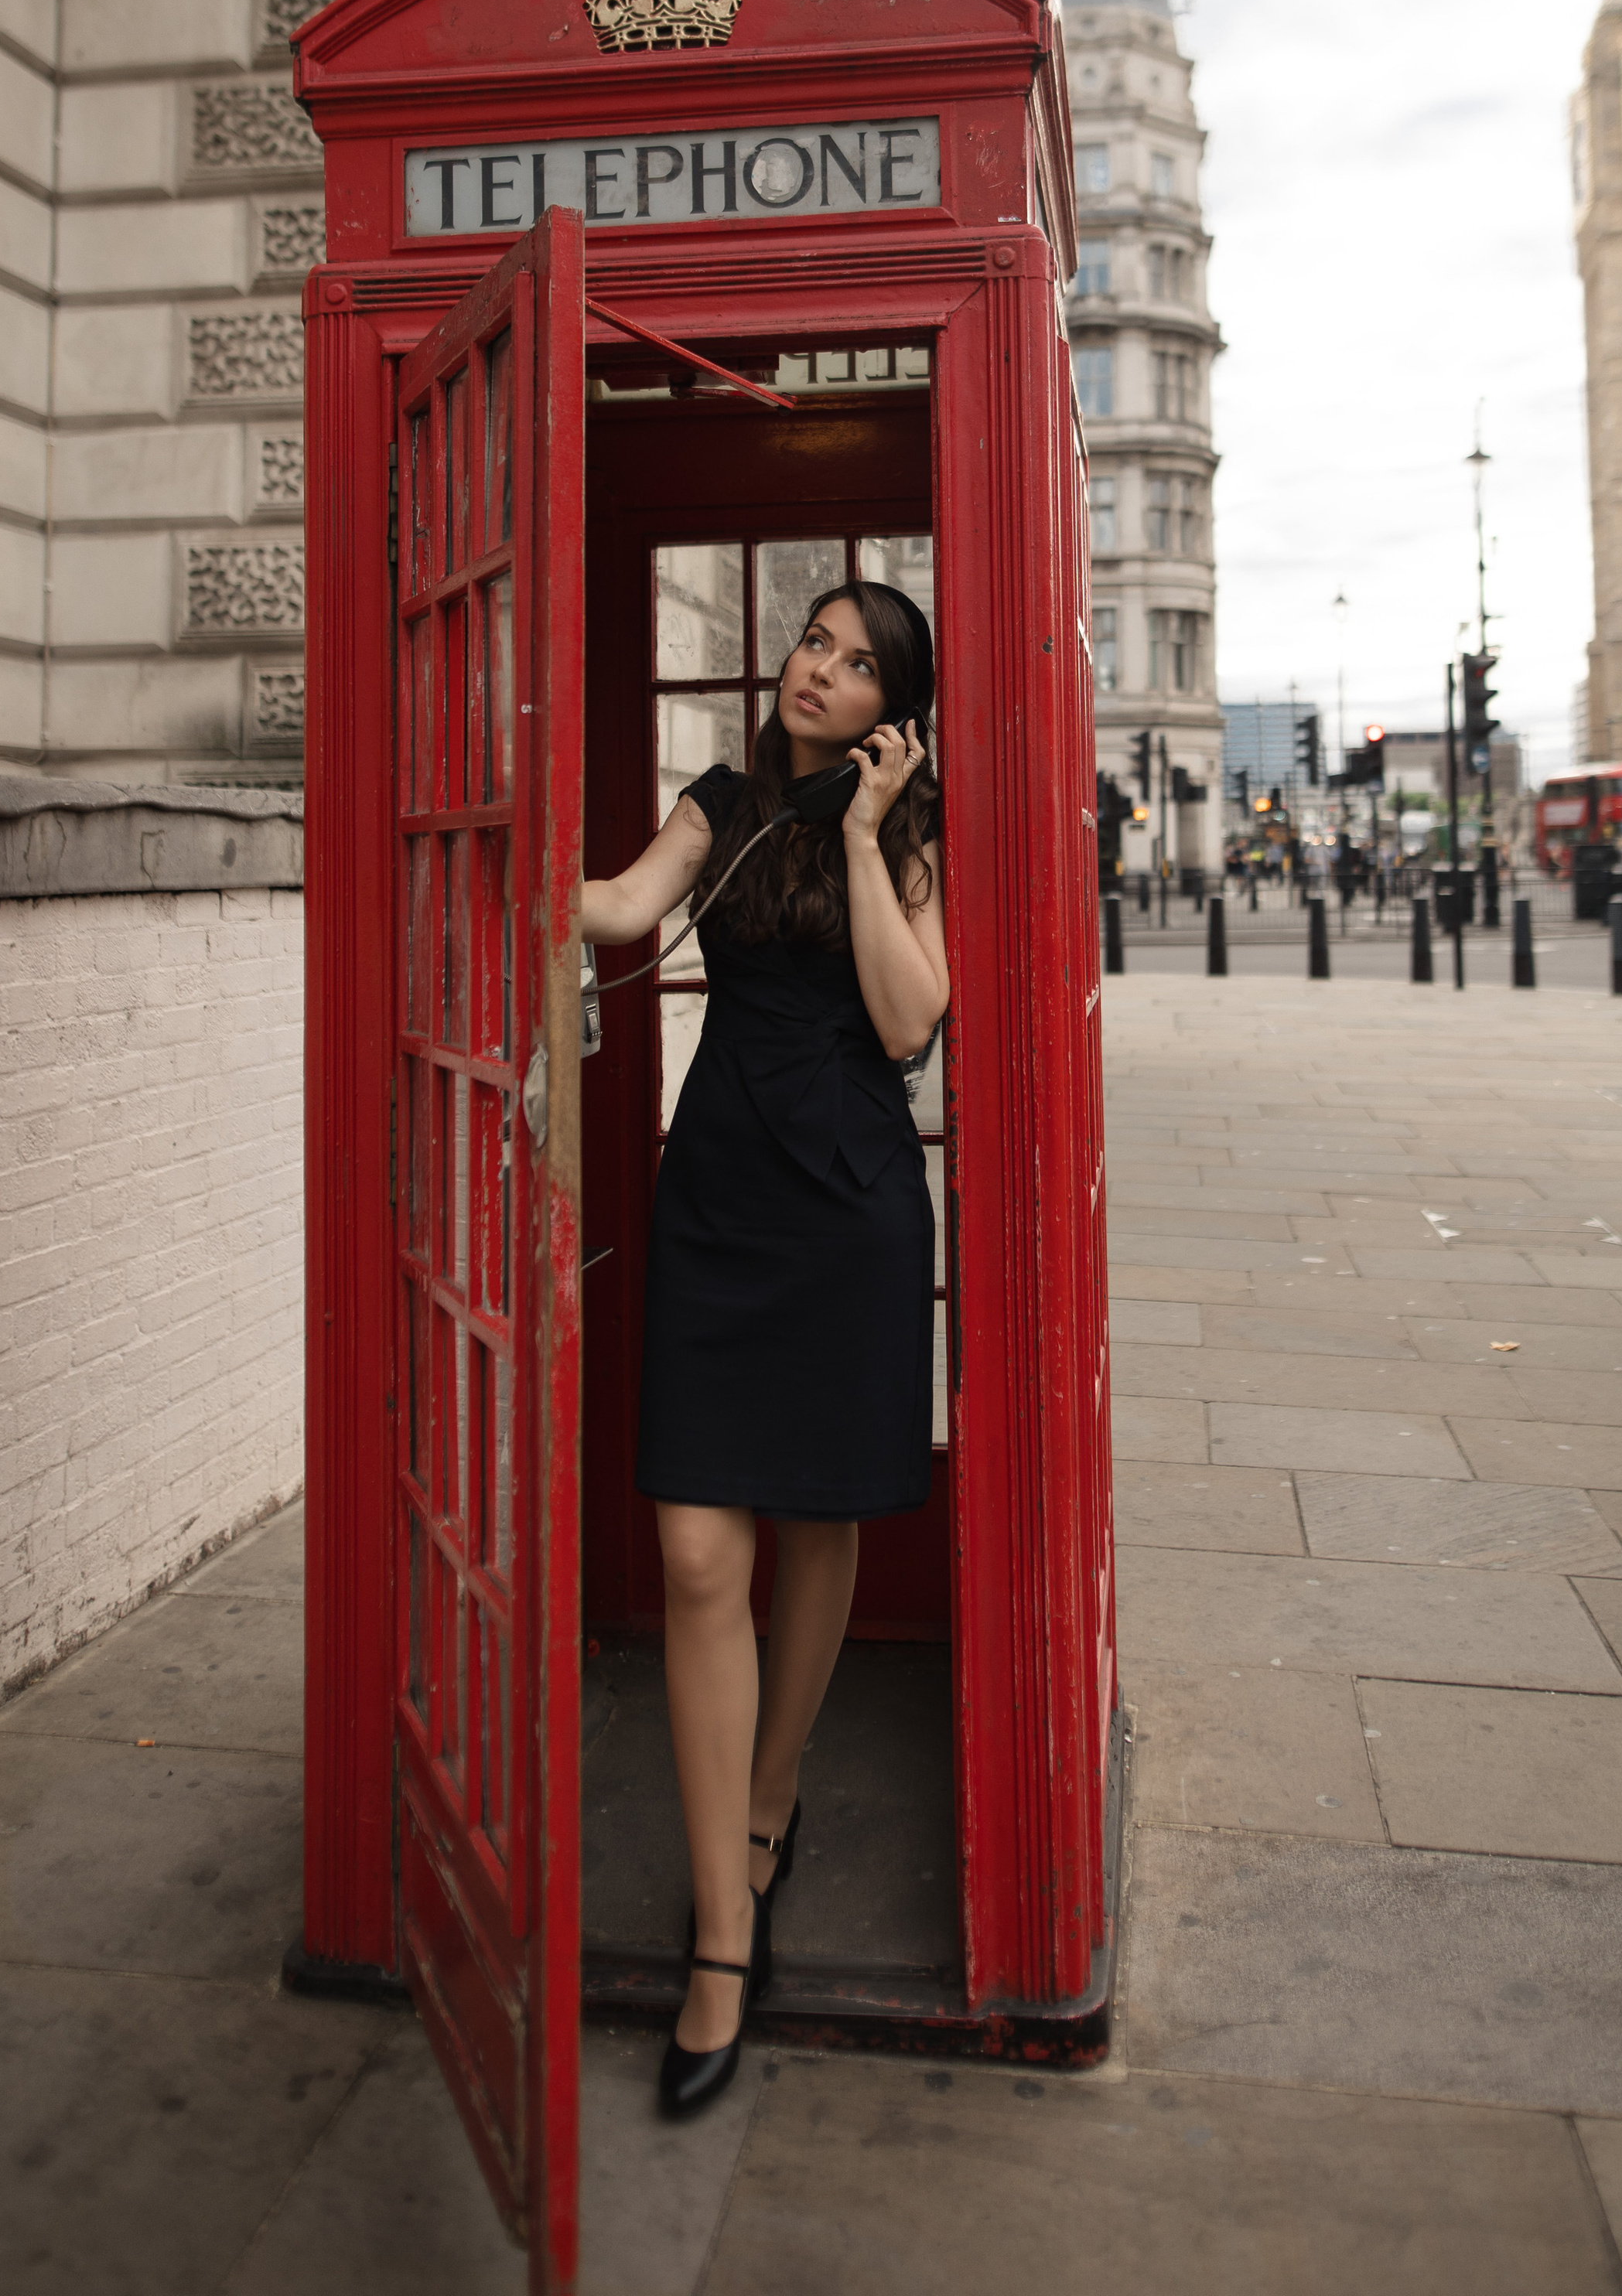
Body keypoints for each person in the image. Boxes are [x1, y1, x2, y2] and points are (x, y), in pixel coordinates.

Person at [579, 582, 948, 2123]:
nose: (821, 669)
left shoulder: (910, 840)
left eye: (860, 665)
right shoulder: (720, 804)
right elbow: (611, 908)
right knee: (691, 1558)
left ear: (891, 715)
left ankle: (766, 1808)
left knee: (815, 1524)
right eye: (814, 640)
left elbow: (908, 1020)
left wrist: (863, 842)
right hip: (720, 1200)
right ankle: (725, 1928)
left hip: (851, 1206)